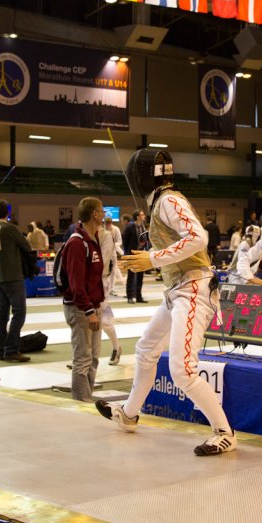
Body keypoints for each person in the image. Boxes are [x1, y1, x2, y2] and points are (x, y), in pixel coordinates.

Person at [96, 149, 236, 456]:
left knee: (182, 370)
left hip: (193, 289)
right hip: (176, 290)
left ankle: (225, 433)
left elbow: (198, 237)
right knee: (146, 349)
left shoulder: (170, 200)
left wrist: (153, 258)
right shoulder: (160, 201)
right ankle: (129, 414)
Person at [62, 197, 105, 400]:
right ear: (94, 214)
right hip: (80, 309)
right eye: (102, 210)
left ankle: (86, 399)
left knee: (93, 358)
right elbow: (76, 284)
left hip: (93, 306)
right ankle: (80, 403)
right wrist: (88, 311)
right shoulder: (77, 243)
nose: (104, 214)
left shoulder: (92, 239)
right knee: (82, 359)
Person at [0, 199, 33, 362]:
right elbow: (27, 246)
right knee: (19, 313)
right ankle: (11, 349)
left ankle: (2, 349)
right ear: (7, 212)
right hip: (12, 276)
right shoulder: (9, 228)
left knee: (2, 314)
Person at [97, 216, 123, 365]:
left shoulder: (107, 235)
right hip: (88, 282)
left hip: (100, 281)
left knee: (104, 322)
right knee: (84, 320)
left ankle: (116, 348)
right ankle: (82, 355)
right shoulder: (84, 234)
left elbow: (103, 261)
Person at [121, 209, 147, 304]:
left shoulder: (143, 227)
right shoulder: (129, 227)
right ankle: (129, 297)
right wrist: (128, 253)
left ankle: (139, 297)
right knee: (131, 276)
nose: (144, 216)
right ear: (137, 217)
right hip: (132, 255)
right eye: (142, 214)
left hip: (140, 254)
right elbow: (125, 242)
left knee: (140, 276)